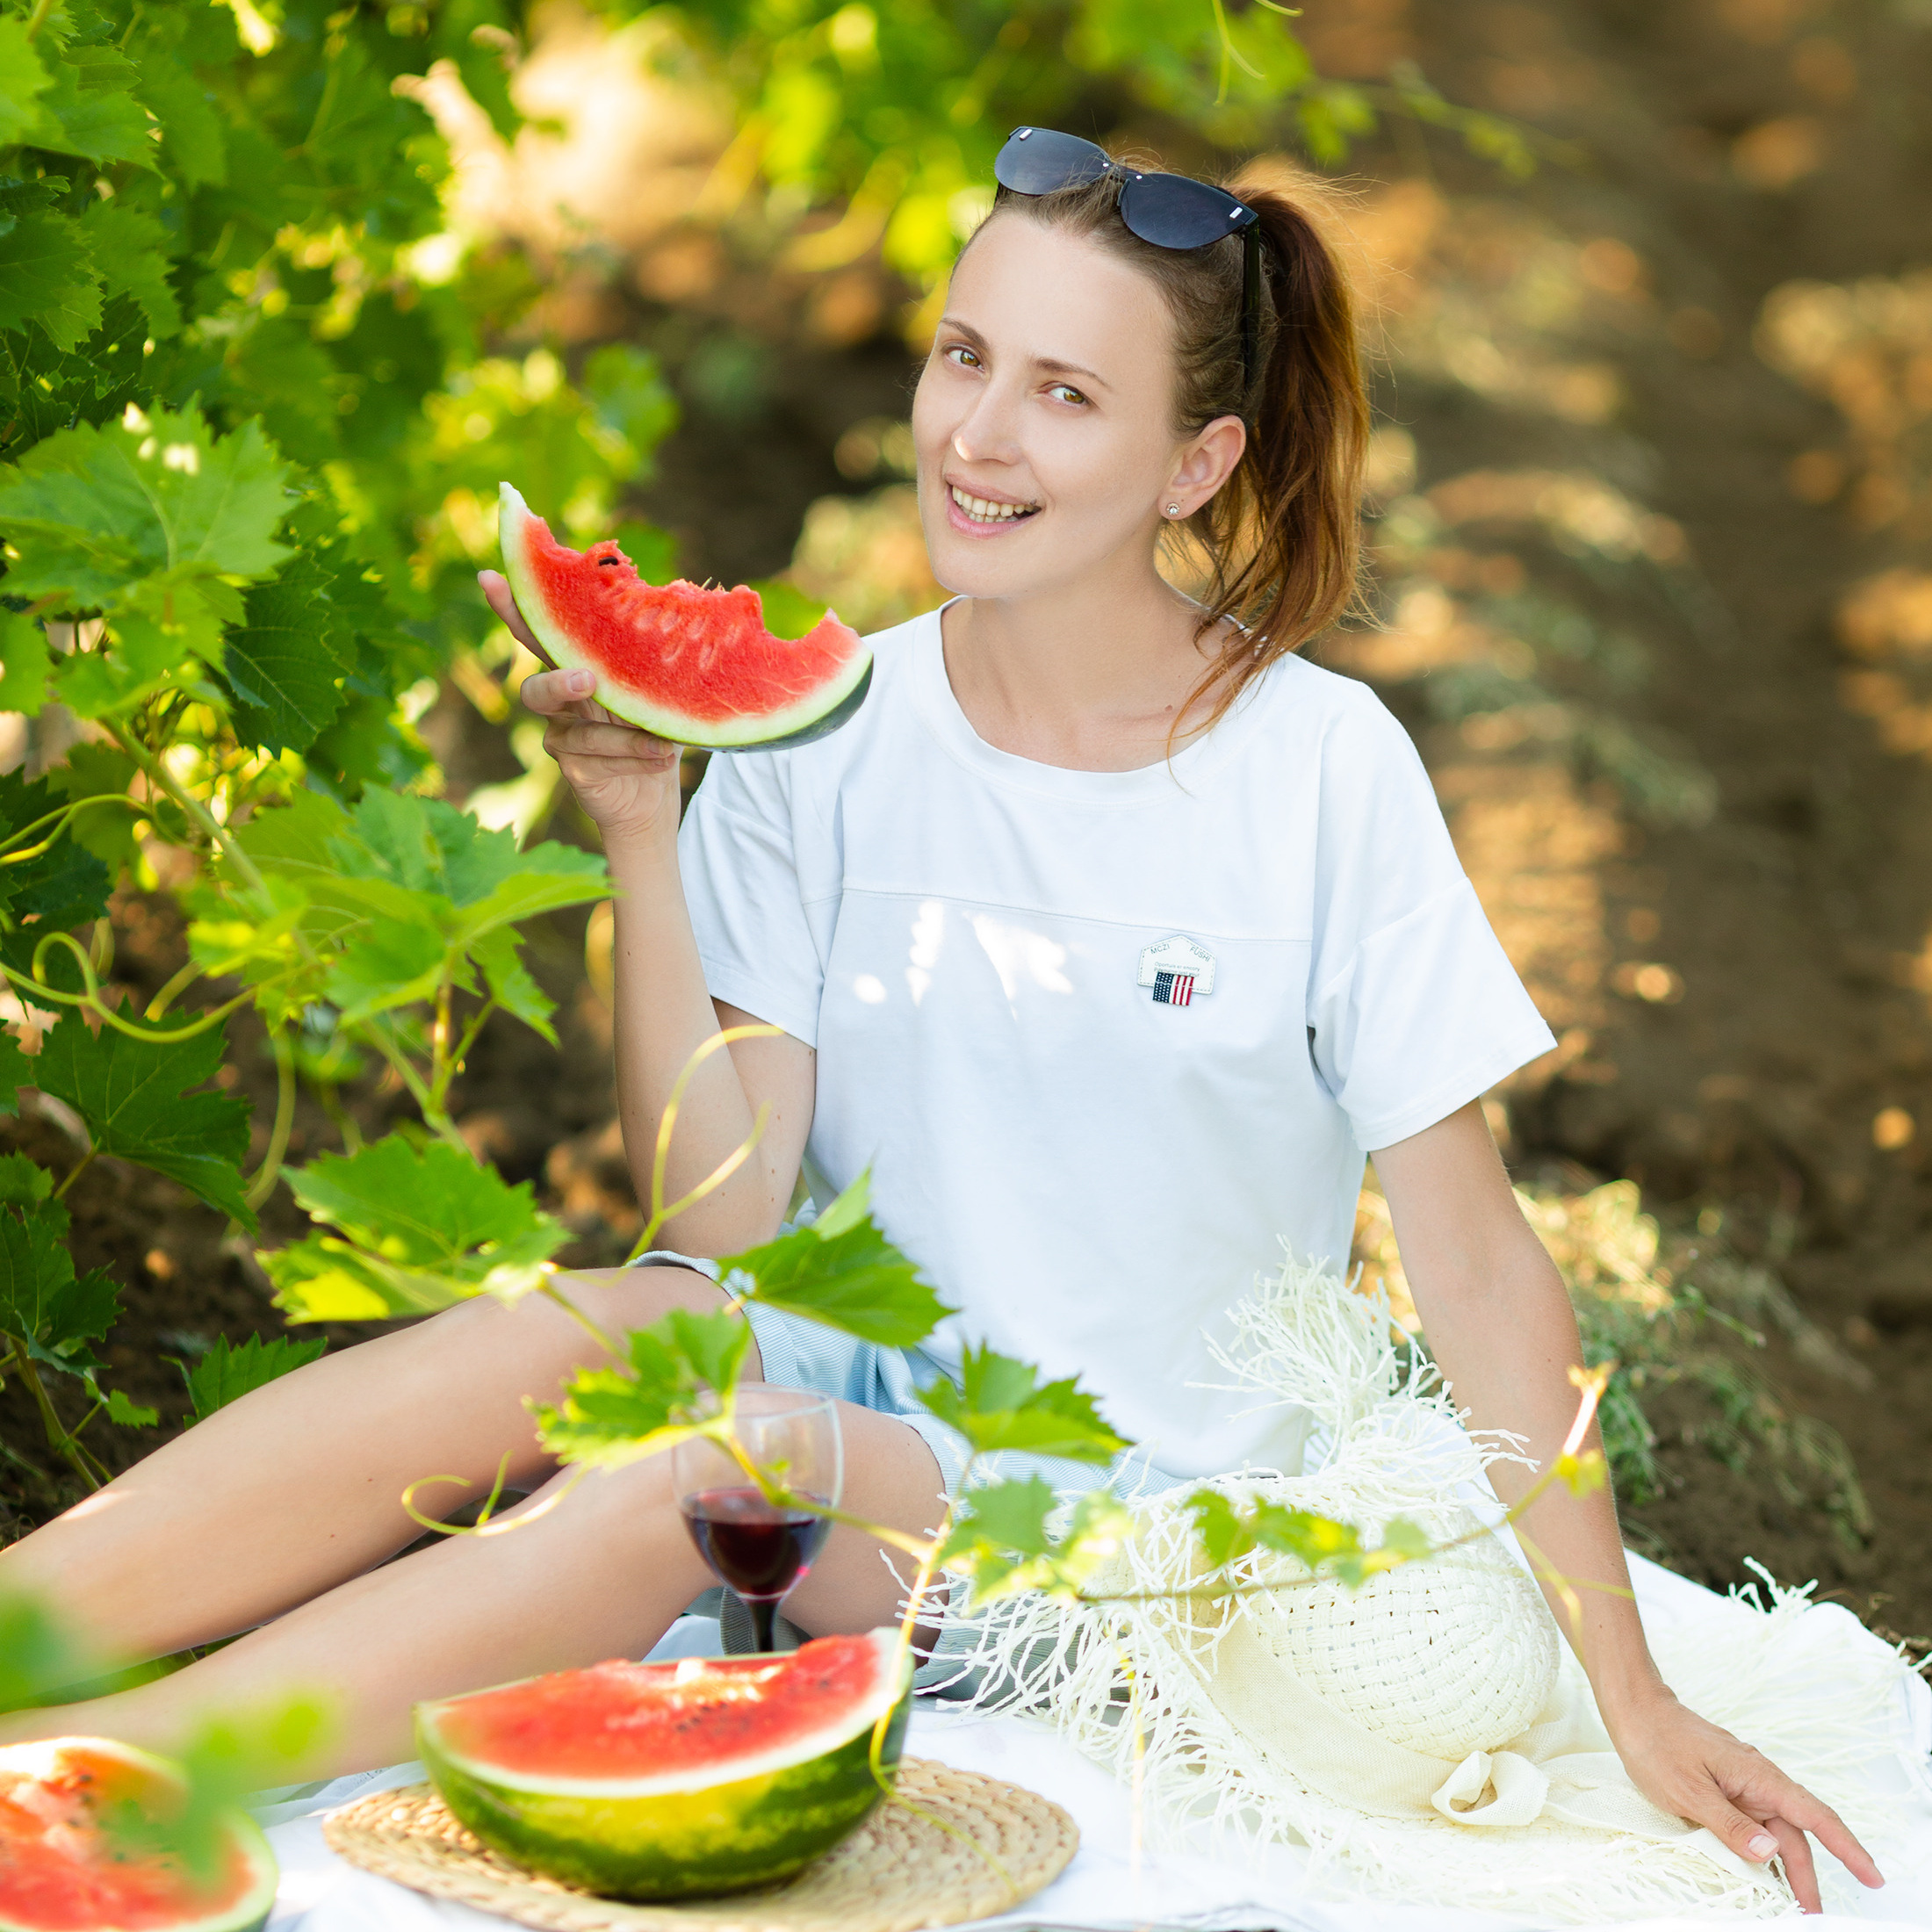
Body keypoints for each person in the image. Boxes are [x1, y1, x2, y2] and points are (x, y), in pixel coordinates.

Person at [0, 133, 1880, 1915]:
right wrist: (642, 827)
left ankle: (97, 1766)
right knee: (622, 1323)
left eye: (1065, 393)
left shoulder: (1323, 769)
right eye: (963, 356)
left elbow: (1472, 1260)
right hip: (840, 1409)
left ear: (1195, 462)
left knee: (717, 1459)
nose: (977, 434)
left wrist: (1629, 1694)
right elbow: (718, 1226)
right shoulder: (823, 735)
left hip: (1121, 1535)